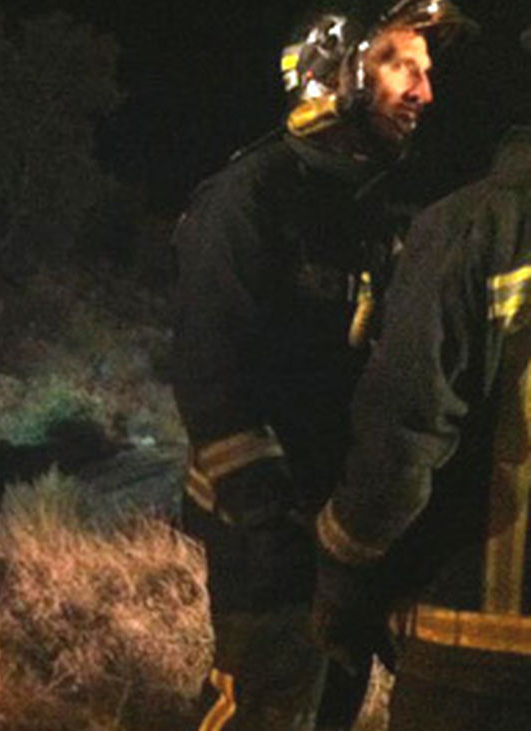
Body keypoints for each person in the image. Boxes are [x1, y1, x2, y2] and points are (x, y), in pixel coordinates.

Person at [170, 1, 473, 728]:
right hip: (267, 540)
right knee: (265, 707)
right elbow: (213, 381)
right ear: (335, 69)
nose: (423, 90)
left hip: (336, 541)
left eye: (426, 72)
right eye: (400, 63)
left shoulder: (366, 209)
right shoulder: (250, 199)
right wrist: (273, 532)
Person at [313, 17, 531, 731]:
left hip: (477, 656)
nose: (427, 93)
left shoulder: (471, 228)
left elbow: (400, 441)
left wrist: (341, 580)